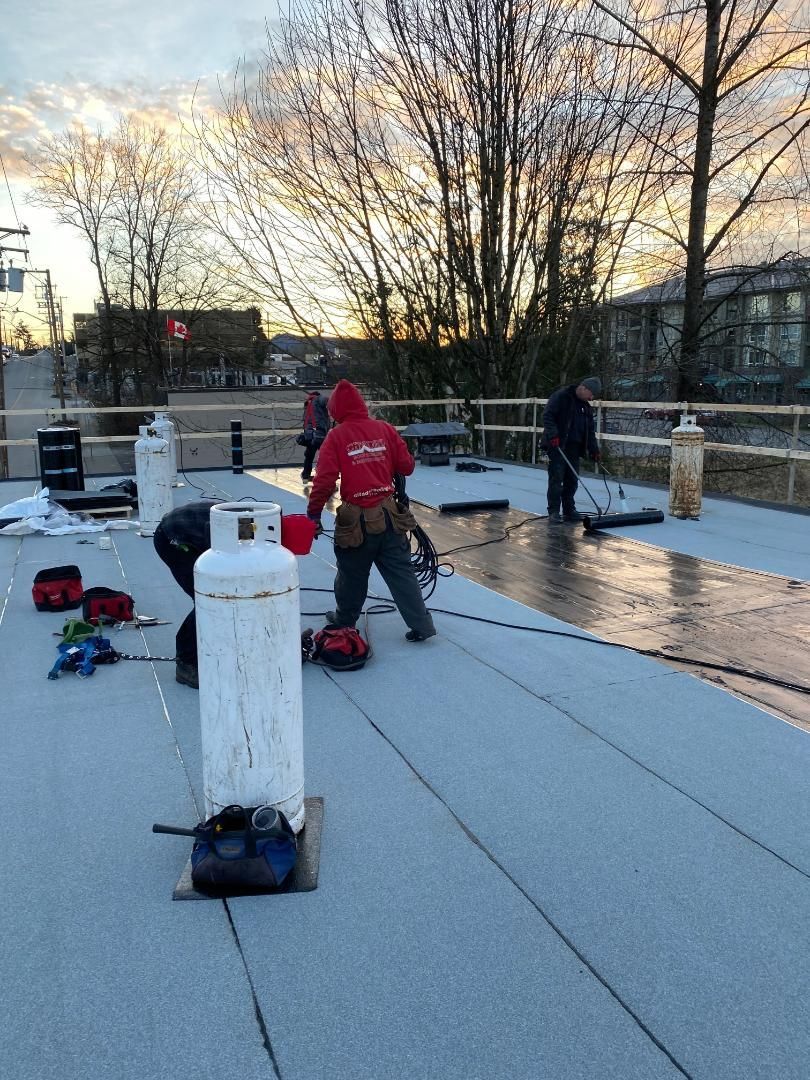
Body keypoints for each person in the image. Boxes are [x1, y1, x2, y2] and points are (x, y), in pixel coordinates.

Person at [306, 379, 436, 642]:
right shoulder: (385, 429)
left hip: (357, 523)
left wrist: (314, 514)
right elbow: (407, 466)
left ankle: (344, 621)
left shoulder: (336, 436)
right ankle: (422, 625)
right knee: (402, 574)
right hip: (390, 518)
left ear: (336, 411)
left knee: (351, 574)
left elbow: (324, 480)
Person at [153, 500, 220, 688]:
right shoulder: (239, 532)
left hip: (193, 532)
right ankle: (186, 662)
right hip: (171, 539)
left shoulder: (261, 527)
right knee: (208, 600)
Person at [541, 376, 602, 523]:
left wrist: (594, 449)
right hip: (558, 445)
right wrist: (553, 434)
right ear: (584, 388)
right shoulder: (562, 397)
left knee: (572, 480)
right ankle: (554, 511)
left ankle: (569, 510)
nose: (592, 398)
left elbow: (589, 430)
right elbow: (548, 415)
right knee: (557, 478)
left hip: (575, 447)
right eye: (591, 394)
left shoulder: (586, 406)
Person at [300, 390, 330, 481]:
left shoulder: (307, 405)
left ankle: (306, 476)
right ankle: (325, 478)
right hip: (319, 433)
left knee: (309, 456)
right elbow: (327, 400)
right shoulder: (318, 399)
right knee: (327, 455)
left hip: (309, 434)